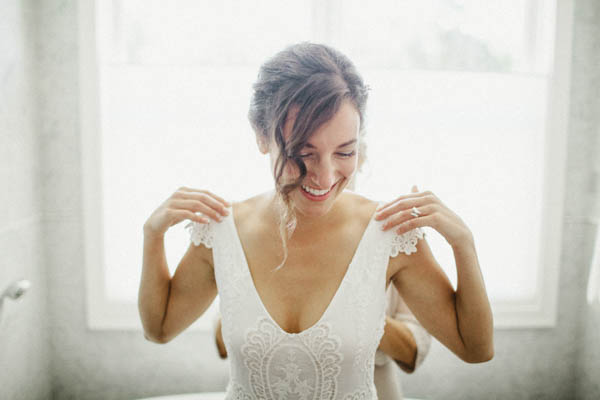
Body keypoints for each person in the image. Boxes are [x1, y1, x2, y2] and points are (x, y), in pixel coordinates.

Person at [139, 42, 494, 399]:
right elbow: (159, 329)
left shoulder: (390, 231)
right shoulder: (221, 230)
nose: (324, 177)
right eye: (303, 153)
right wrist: (152, 234)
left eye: (345, 152)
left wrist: (463, 242)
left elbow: (475, 349)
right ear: (262, 137)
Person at [212, 281, 432, 400]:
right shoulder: (257, 239)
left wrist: (354, 307)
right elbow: (221, 345)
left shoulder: (390, 240)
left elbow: (413, 353)